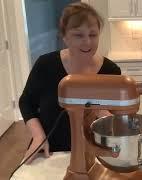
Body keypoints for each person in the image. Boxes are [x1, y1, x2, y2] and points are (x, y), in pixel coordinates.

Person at [19, 2, 121, 164]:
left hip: (96, 153)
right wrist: (38, 136)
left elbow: (116, 115)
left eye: (93, 35)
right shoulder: (45, 65)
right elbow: (26, 102)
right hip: (50, 150)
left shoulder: (111, 70)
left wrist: (105, 115)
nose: (87, 42)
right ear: (65, 37)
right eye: (78, 35)